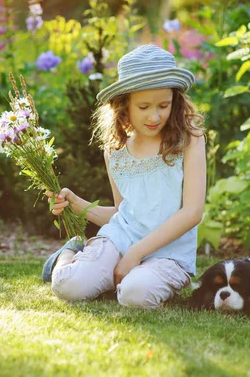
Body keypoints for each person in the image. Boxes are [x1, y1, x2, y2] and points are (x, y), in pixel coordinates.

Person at [42, 44, 206, 309]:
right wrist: (74, 203)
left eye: (164, 105)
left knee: (135, 295)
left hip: (169, 254)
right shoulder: (116, 151)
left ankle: (123, 275)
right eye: (143, 106)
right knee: (68, 286)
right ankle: (71, 252)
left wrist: (136, 254)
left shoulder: (190, 141)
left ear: (175, 101)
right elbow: (122, 212)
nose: (154, 116)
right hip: (120, 241)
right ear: (124, 105)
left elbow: (193, 212)